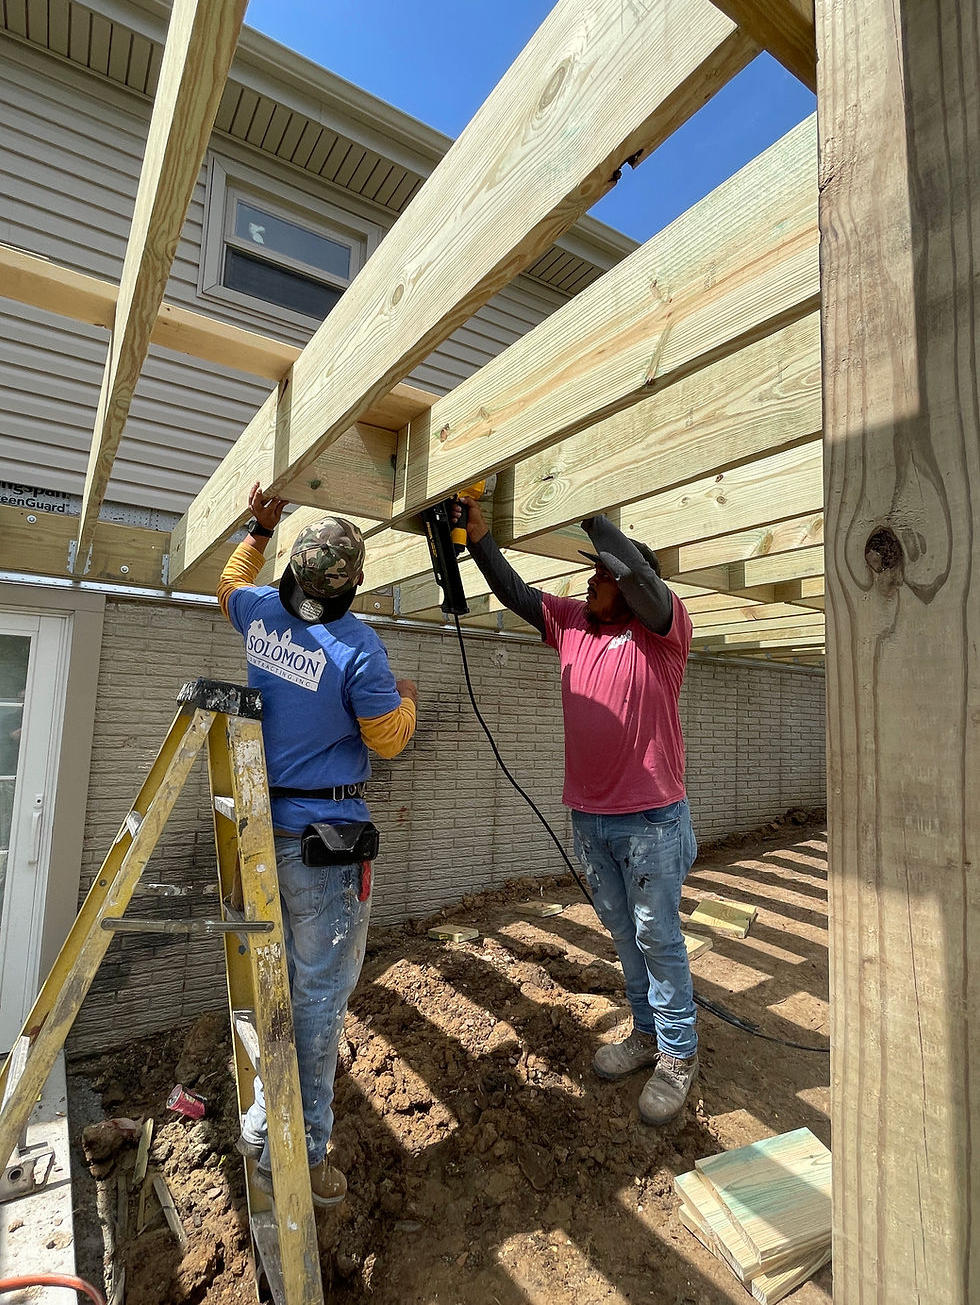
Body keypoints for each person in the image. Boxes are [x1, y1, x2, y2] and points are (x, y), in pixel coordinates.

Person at [455, 497, 698, 1124]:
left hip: (650, 818)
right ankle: (647, 1033)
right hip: (590, 818)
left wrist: (588, 515)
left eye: (601, 576)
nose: (589, 582)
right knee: (623, 932)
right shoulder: (571, 625)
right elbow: (515, 593)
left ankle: (678, 1052)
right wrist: (481, 540)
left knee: (658, 936)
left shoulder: (663, 634)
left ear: (630, 585)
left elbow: (646, 584)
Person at [218, 482, 418, 1206]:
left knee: (285, 986)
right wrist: (408, 699)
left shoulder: (261, 611)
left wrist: (259, 525)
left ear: (296, 575)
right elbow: (387, 740)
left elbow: (230, 582)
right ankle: (300, 1152)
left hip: (263, 832)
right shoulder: (360, 649)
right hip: (323, 849)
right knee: (320, 999)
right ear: (354, 584)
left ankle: (257, 1122)